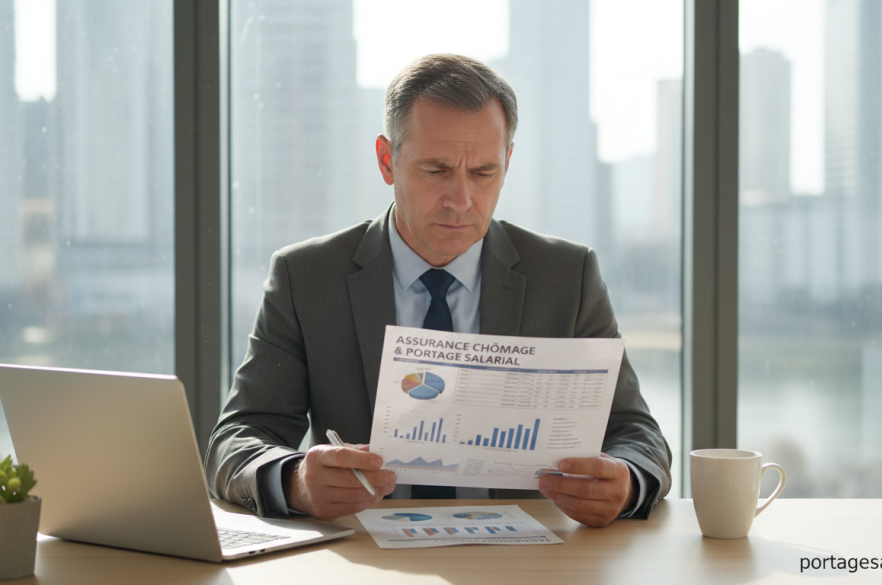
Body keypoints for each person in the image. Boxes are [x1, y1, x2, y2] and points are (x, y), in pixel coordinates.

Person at [205, 54, 671, 528]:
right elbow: (236, 440)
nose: (460, 199)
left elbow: (636, 433)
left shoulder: (568, 276)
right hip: (367, 561)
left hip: (528, 564)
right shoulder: (305, 278)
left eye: (483, 173)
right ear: (388, 161)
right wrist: (296, 481)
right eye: (436, 170)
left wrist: (627, 480)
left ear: (508, 163)